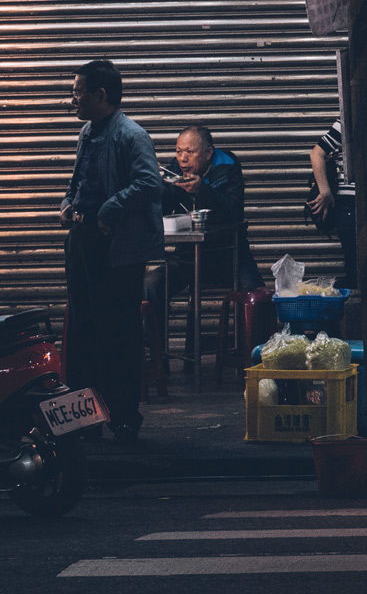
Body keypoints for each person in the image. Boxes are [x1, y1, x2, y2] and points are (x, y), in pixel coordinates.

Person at [59, 59, 160, 442]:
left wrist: (108, 209)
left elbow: (150, 183)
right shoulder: (88, 131)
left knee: (117, 333)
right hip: (83, 243)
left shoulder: (131, 135)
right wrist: (68, 202)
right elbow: (77, 178)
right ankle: (86, 419)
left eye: (78, 91)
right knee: (83, 330)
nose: (73, 99)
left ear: (101, 95)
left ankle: (122, 417)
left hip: (116, 250)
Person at [161, 125, 261, 292]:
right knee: (152, 283)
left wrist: (202, 190)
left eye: (189, 152)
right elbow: (162, 210)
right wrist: (158, 183)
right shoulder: (174, 169)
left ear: (208, 153)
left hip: (229, 256)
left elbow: (233, 211)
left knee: (254, 293)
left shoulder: (227, 166)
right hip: (187, 257)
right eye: (178, 152)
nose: (183, 159)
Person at [307, 118, 357, 290]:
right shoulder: (347, 121)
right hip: (350, 205)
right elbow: (317, 153)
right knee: (355, 273)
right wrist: (325, 191)